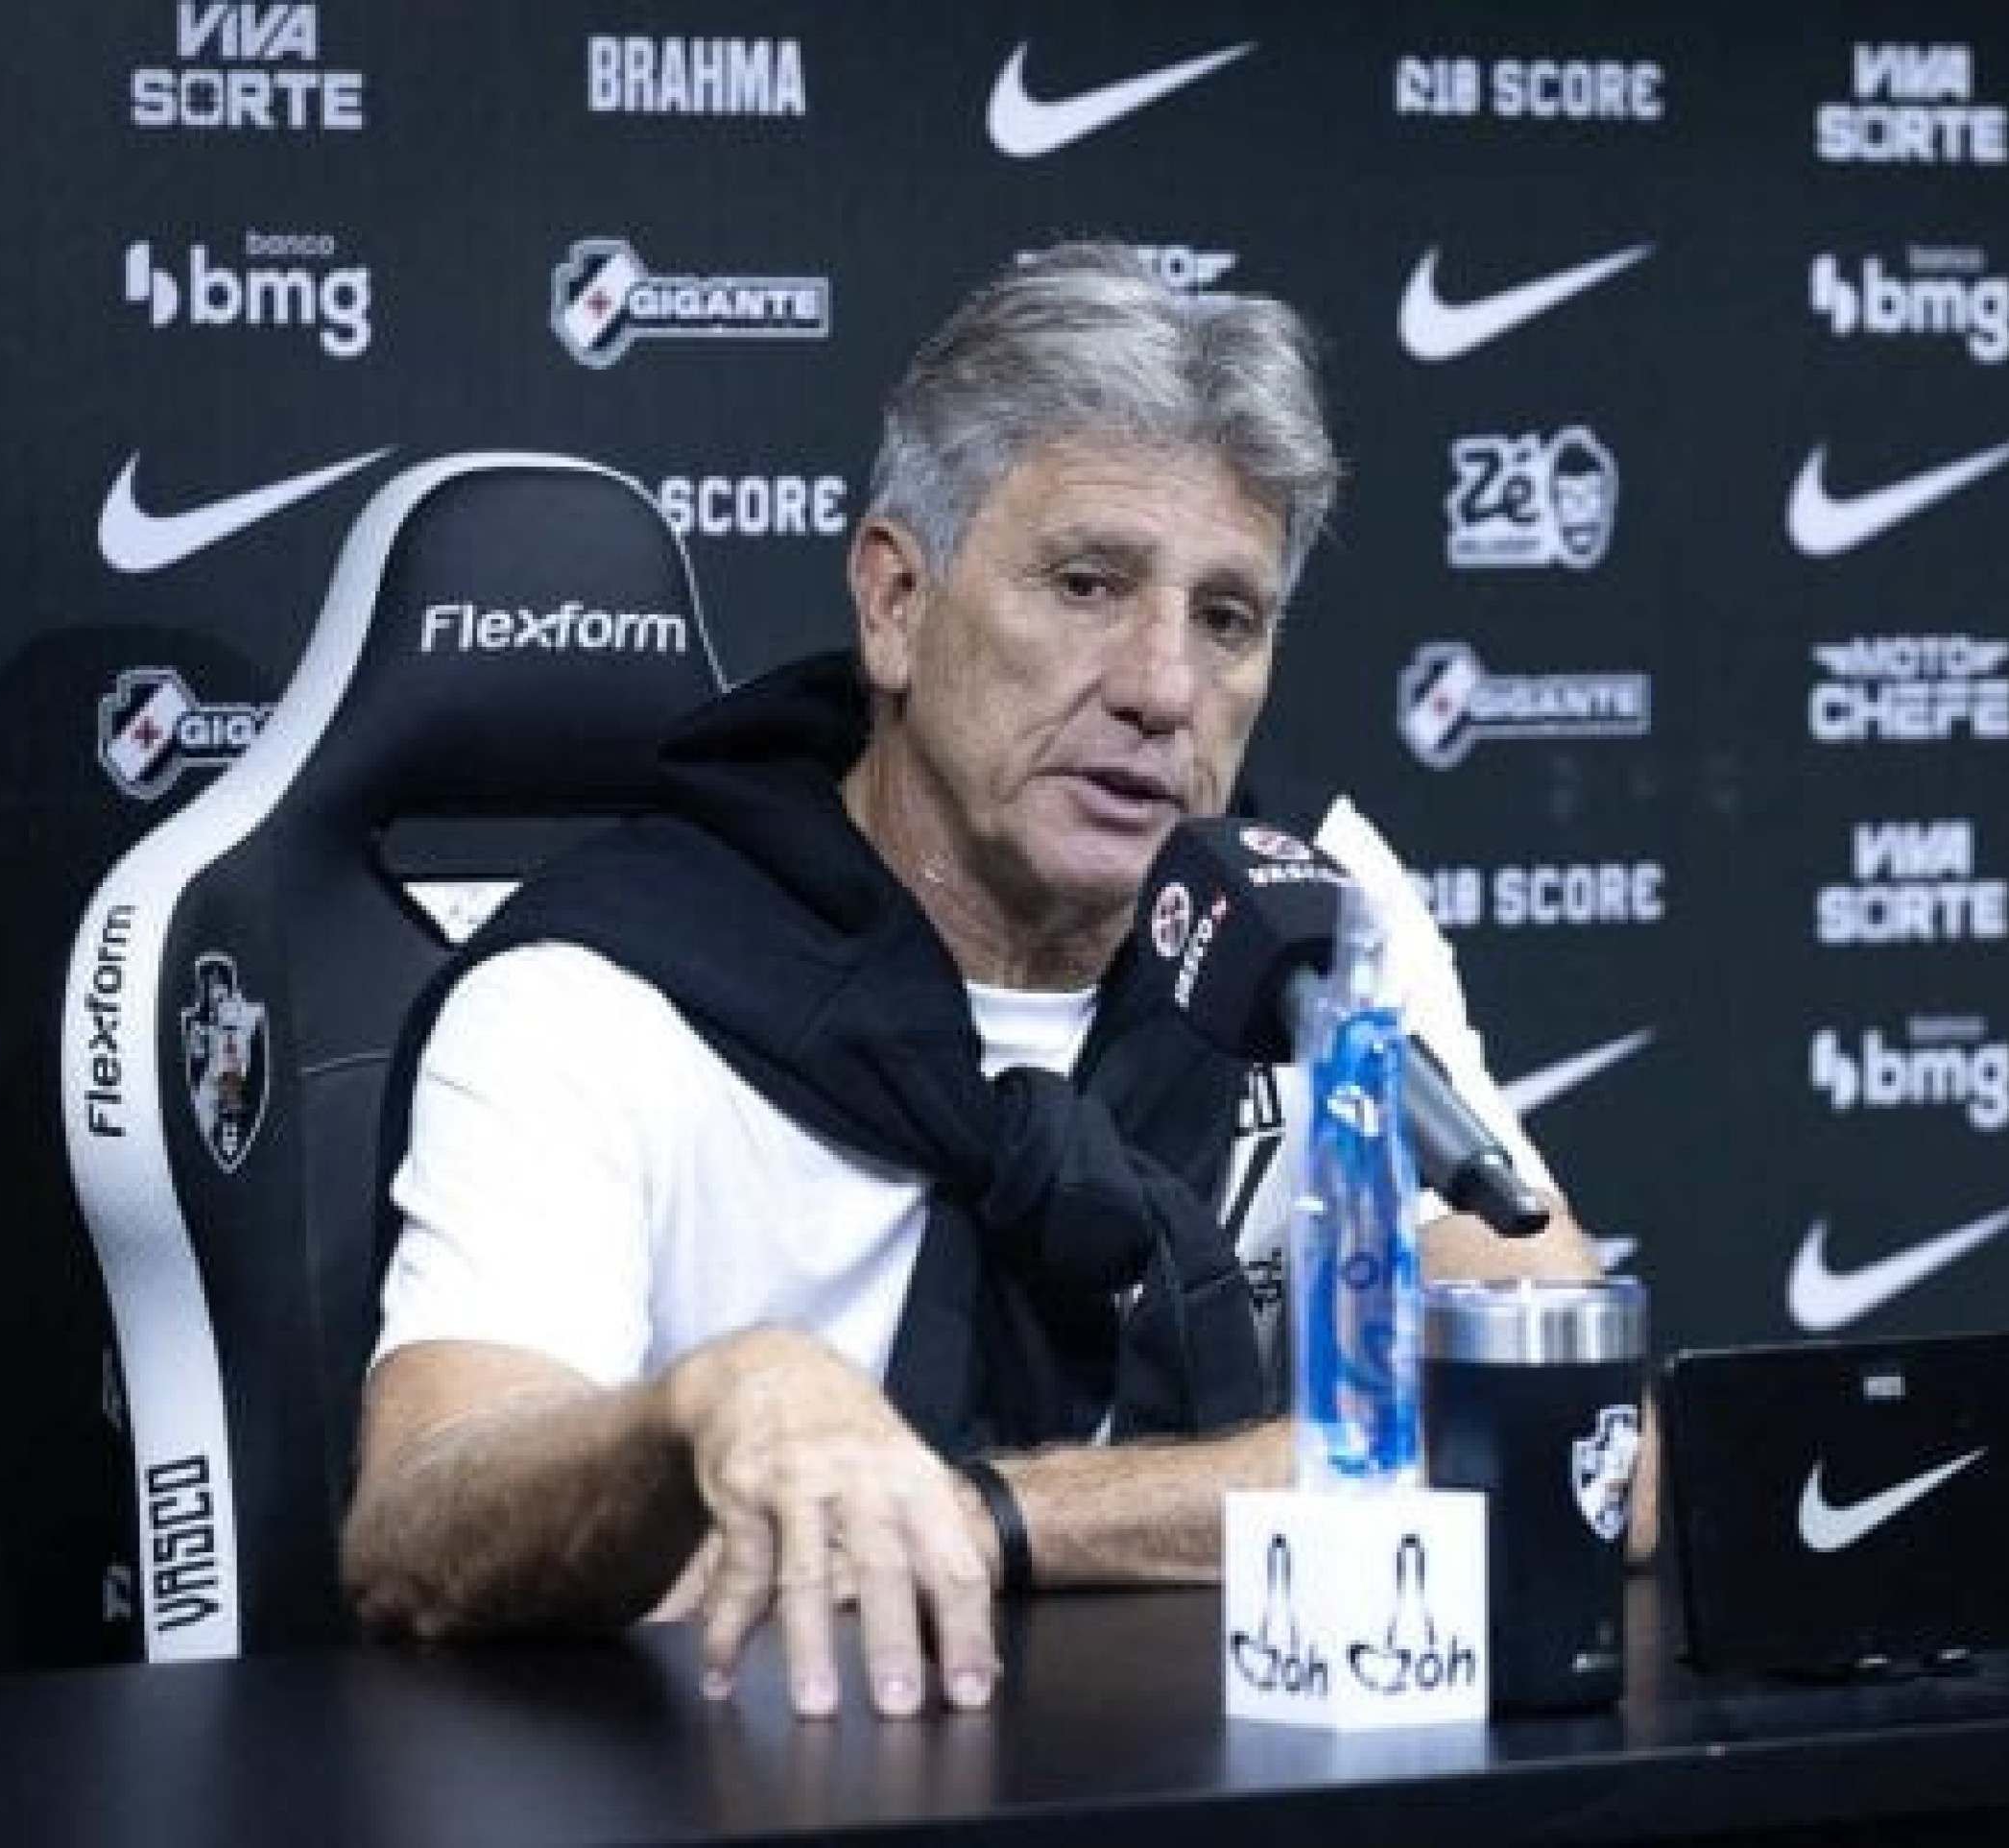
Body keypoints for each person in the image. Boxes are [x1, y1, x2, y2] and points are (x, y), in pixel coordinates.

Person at [340, 244, 1638, 1721]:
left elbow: (1591, 1444)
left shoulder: (1311, 919)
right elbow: (418, 1529)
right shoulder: (600, 987)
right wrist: (707, 1403)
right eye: (1087, 583)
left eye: (1227, 617)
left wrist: (992, 1514)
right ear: (896, 601)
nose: (1161, 687)